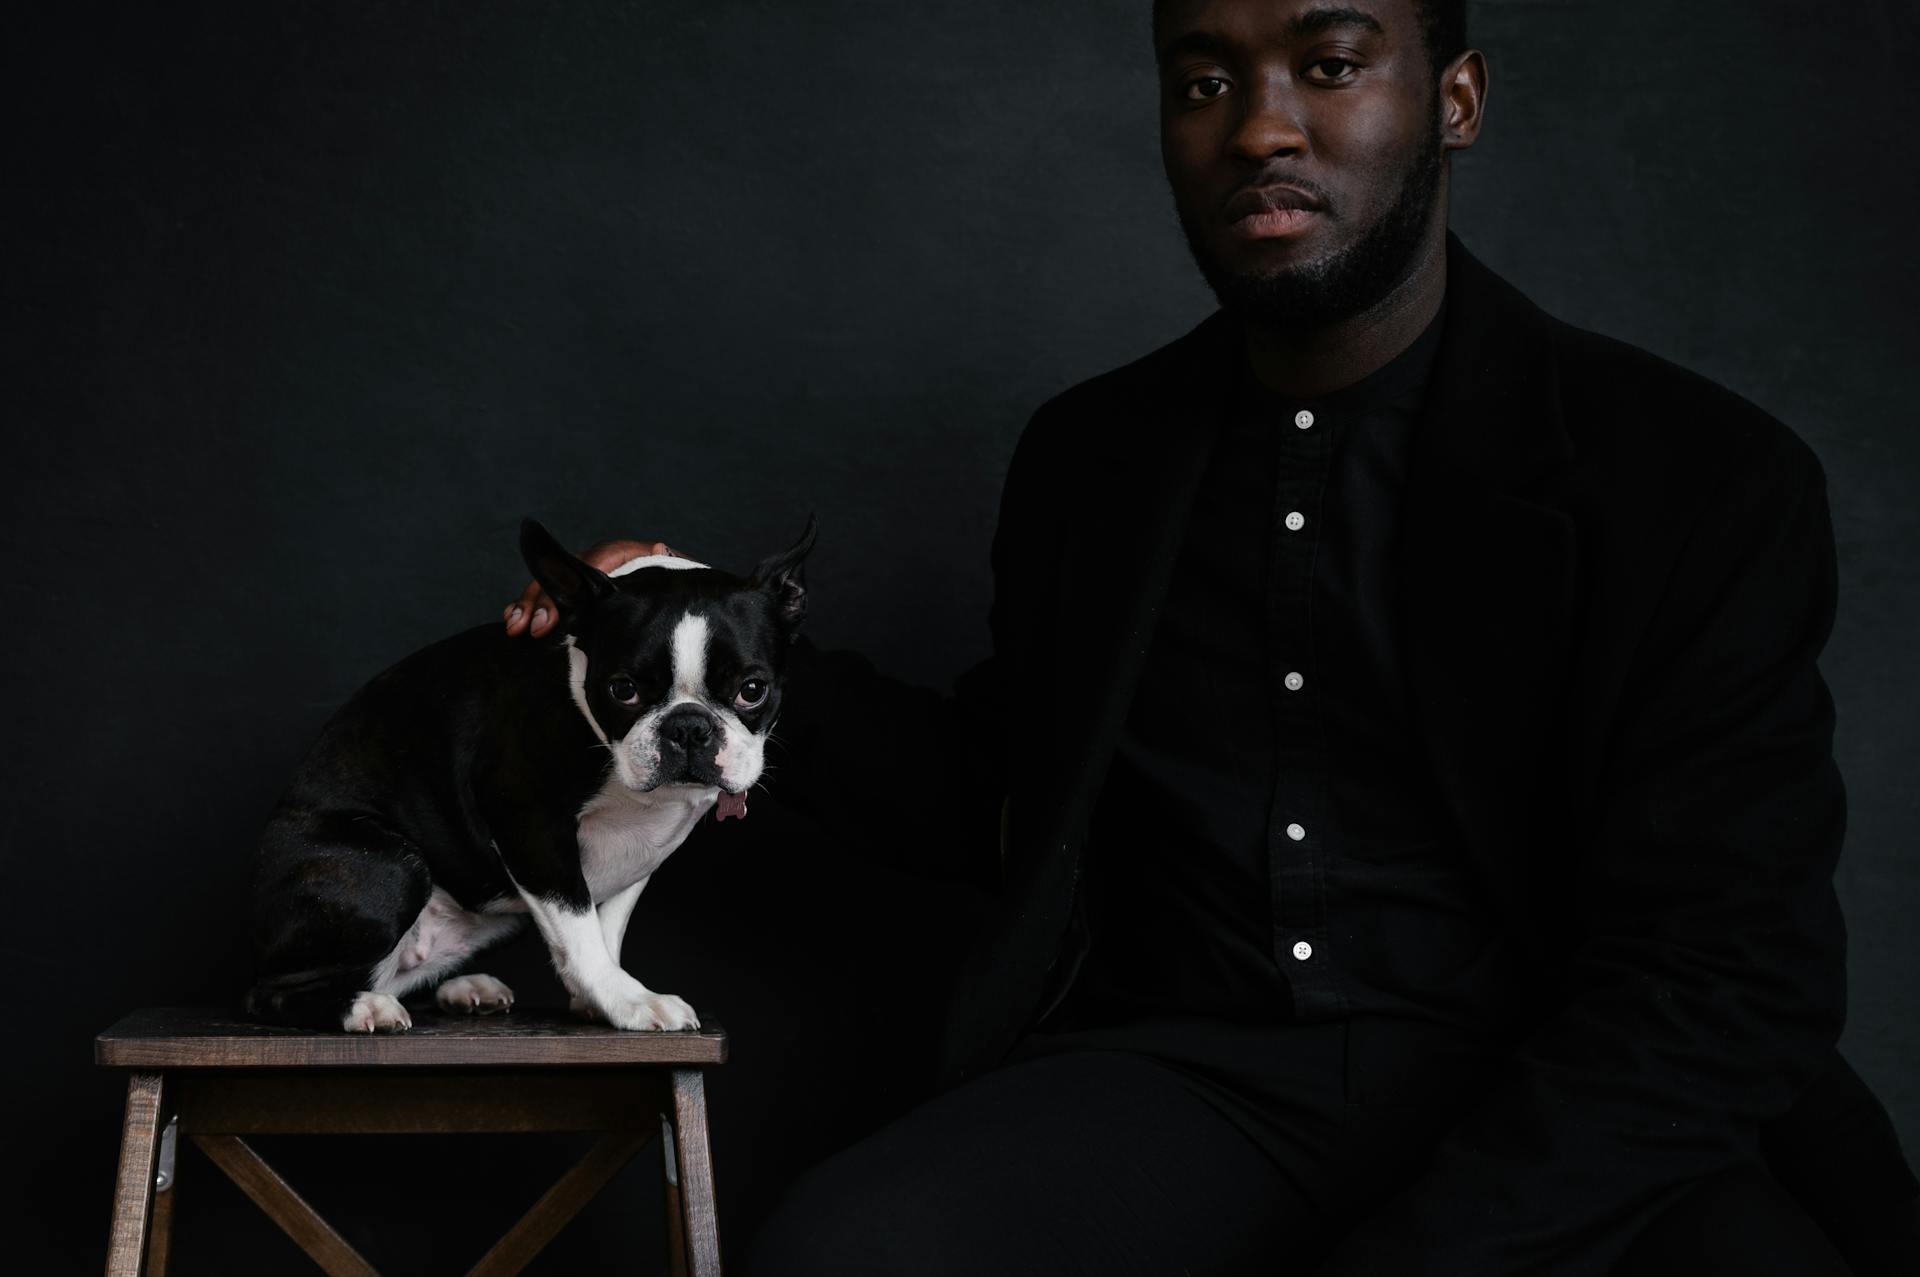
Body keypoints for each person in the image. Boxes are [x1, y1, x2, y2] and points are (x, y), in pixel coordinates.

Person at [506, 1, 1918, 1272]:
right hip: (1192, 1079)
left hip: (1565, 1088)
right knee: (844, 1253)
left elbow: (1725, 976)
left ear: (1457, 99)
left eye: (1331, 64)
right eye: (1202, 80)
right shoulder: (1094, 458)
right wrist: (692, 644)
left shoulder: (1695, 476)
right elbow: (1011, 792)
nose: (1258, 126)